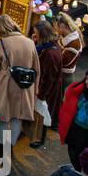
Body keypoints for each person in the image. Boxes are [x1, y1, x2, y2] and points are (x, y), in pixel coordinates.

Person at [0, 14, 39, 152]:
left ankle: (0, 147)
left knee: (5, 117)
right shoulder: (29, 42)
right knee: (18, 116)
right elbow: (36, 68)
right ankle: (10, 145)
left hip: (6, 85)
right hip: (25, 85)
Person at [30, 20, 64, 149]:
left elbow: (48, 78)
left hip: (48, 90)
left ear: (42, 35)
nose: (34, 35)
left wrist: (42, 94)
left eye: (36, 33)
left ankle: (40, 138)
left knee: (43, 113)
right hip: (51, 87)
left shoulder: (50, 54)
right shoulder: (51, 46)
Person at [55, 12, 83, 87]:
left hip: (64, 76)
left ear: (62, 26)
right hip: (62, 74)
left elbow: (62, 61)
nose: (56, 29)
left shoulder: (73, 44)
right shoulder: (66, 36)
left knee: (58, 97)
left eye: (56, 27)